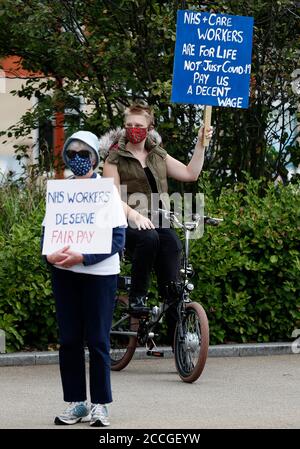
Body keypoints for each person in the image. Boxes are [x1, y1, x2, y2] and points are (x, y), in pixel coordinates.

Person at [101, 103, 212, 344]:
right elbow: (110, 196)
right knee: (148, 238)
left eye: (139, 126)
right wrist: (135, 215)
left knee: (171, 246)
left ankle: (178, 337)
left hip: (160, 221)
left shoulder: (158, 154)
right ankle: (137, 298)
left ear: (149, 127)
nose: (133, 130)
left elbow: (190, 173)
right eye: (129, 125)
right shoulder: (114, 159)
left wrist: (201, 144)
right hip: (127, 223)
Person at [42, 131, 126, 427]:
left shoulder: (107, 192)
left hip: (100, 276)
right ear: (66, 156)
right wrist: (49, 257)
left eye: (85, 154)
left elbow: (117, 239)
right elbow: (48, 234)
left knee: (98, 340)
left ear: (95, 158)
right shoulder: (60, 192)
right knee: (69, 341)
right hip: (65, 276)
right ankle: (77, 403)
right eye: (73, 153)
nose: (79, 160)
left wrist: (85, 258)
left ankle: (100, 404)